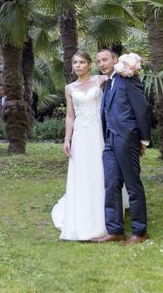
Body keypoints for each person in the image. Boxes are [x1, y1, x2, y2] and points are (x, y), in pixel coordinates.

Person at [93, 49, 151, 245]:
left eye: (105, 59)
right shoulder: (108, 84)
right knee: (111, 184)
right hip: (109, 140)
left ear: (115, 60)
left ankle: (140, 232)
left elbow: (141, 109)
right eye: (98, 61)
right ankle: (115, 230)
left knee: (133, 185)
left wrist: (143, 140)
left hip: (127, 138)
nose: (101, 63)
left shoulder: (128, 79)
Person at [51, 53, 110, 241]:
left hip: (98, 133)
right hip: (81, 134)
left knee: (99, 171)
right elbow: (70, 115)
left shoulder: (100, 80)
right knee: (82, 172)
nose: (78, 65)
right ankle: (82, 216)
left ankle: (104, 217)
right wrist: (67, 138)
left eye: (82, 62)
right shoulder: (70, 88)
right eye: (75, 62)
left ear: (89, 64)